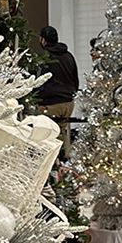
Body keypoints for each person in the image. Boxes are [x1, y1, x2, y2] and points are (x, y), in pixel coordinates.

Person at [34, 25, 80, 156]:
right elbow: (75, 79)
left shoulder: (44, 57)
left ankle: (53, 168)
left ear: (43, 40)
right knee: (61, 134)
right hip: (68, 103)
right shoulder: (69, 56)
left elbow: (39, 81)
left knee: (47, 138)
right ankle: (63, 163)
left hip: (50, 103)